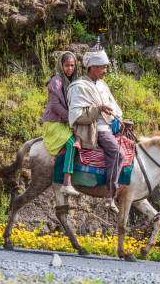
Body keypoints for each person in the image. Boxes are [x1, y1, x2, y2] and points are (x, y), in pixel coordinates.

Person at [67, 41, 123, 212]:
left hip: (109, 125)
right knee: (117, 152)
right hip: (96, 129)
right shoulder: (79, 87)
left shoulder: (103, 85)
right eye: (103, 68)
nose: (106, 71)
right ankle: (110, 195)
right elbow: (77, 115)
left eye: (106, 67)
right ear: (92, 67)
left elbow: (114, 106)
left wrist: (120, 118)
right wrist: (98, 110)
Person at [41, 52, 80, 196]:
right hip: (54, 122)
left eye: (72, 65)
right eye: (67, 65)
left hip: (64, 121)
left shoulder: (72, 81)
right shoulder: (56, 81)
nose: (70, 68)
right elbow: (54, 106)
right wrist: (71, 117)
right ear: (61, 66)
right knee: (71, 143)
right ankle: (66, 182)